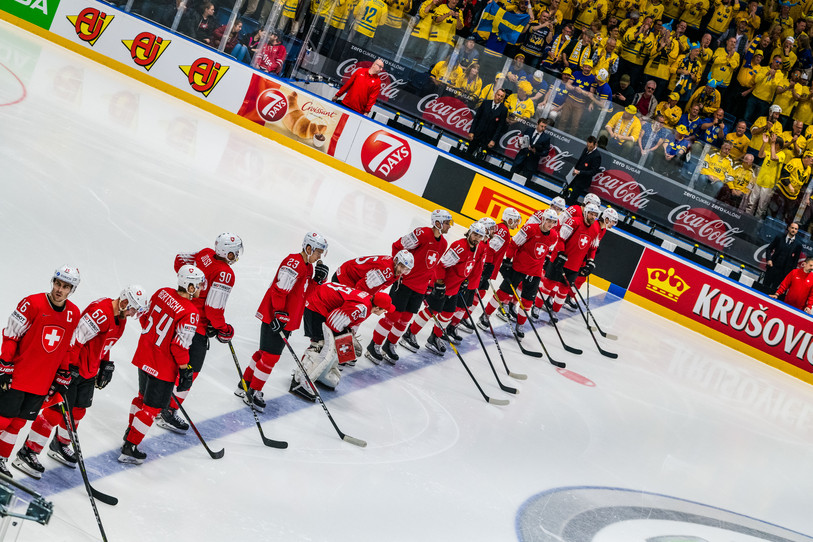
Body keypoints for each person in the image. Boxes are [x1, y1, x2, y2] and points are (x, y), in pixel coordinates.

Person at [13, 286, 149, 479]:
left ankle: (60, 444)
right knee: (55, 412)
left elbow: (103, 343)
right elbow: (75, 340)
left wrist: (105, 363)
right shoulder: (100, 313)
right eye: (134, 309)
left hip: (88, 372)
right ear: (126, 302)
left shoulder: (120, 317)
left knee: (77, 411)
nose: (134, 314)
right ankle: (28, 452)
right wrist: (68, 369)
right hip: (74, 369)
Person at [156, 233, 243, 434]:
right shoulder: (225, 273)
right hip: (196, 325)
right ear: (226, 252)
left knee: (172, 363)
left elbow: (180, 262)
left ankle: (156, 402)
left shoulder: (205, 253)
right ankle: (167, 410)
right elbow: (213, 309)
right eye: (234, 251)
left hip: (180, 311)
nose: (236, 255)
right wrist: (223, 328)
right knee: (189, 370)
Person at [0, 266, 82, 478]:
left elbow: (66, 348)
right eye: (57, 283)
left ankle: (1, 459)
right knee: (2, 420)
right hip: (18, 376)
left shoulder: (73, 313)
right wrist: (5, 366)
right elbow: (11, 335)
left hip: (41, 382)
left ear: (72, 289)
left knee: (17, 423)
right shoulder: (32, 303)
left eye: (65, 286)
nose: (59, 289)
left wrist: (64, 374)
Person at [119, 266, 205, 465]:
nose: (201, 288)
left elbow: (144, 317)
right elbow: (179, 346)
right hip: (163, 365)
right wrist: (185, 370)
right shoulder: (191, 312)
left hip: (145, 355)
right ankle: (130, 447)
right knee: (151, 409)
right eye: (199, 285)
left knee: (141, 398)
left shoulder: (162, 292)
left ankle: (129, 433)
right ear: (190, 286)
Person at [239, 232, 329, 411]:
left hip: (286, 318)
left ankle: (244, 385)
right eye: (318, 252)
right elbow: (279, 291)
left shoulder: (308, 267)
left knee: (264, 353)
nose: (320, 256)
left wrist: (318, 281)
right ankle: (254, 391)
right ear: (308, 248)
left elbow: (306, 294)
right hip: (277, 317)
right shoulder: (294, 263)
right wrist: (279, 313)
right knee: (270, 357)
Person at [366, 210, 451, 363]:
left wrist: (430, 285)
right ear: (437, 223)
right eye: (446, 223)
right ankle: (374, 345)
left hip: (419, 288)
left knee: (405, 319)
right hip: (404, 283)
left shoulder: (443, 243)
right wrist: (396, 271)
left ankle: (389, 345)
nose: (449, 226)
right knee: (392, 316)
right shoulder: (422, 234)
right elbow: (398, 246)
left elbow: (433, 266)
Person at [291, 284, 395, 400]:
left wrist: (345, 336)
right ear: (377, 308)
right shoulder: (362, 308)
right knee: (321, 346)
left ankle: (319, 374)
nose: (385, 312)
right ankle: (300, 380)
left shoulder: (368, 301)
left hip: (320, 303)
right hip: (316, 307)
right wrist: (344, 338)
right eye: (384, 310)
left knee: (329, 344)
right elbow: (332, 322)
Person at [399, 222, 487, 356]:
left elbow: (468, 267)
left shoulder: (478, 248)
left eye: (480, 236)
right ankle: (409, 333)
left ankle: (434, 337)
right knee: (431, 311)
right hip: (443, 286)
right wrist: (439, 284)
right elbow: (441, 266)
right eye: (475, 234)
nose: (477, 238)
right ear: (469, 232)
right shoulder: (459, 247)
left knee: (448, 313)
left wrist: (465, 281)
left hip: (455, 288)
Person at [478, 209, 559, 336]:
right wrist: (507, 261)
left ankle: (520, 325)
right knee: (503, 294)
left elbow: (550, 251)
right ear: (543, 219)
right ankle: (485, 315)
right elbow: (514, 244)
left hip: (535, 272)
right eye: (548, 220)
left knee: (527, 301)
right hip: (518, 268)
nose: (550, 223)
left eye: (553, 221)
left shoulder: (554, 235)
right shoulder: (529, 229)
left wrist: (548, 263)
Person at [538, 203, 602, 320]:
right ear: (586, 213)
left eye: (595, 215)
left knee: (564, 289)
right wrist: (561, 253)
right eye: (591, 214)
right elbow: (561, 238)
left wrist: (590, 261)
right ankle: (537, 306)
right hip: (559, 260)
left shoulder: (596, 229)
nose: (593, 217)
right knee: (549, 284)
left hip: (574, 265)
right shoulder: (573, 222)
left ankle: (555, 311)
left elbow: (593, 248)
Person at [760, 222, 803, 294]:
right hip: (772, 267)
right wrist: (769, 259)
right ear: (788, 228)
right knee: (764, 288)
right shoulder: (779, 237)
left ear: (797, 231)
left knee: (774, 291)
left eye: (796, 229)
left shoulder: (798, 245)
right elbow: (769, 249)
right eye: (792, 228)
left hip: (783, 273)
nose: (793, 230)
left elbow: (795, 261)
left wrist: (789, 274)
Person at [467, 88, 508, 156]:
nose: (499, 97)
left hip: (488, 139)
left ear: (503, 98)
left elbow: (499, 127)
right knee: (468, 154)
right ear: (495, 95)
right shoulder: (486, 103)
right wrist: (471, 131)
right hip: (477, 134)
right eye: (498, 95)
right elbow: (476, 118)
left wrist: (493, 140)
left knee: (480, 159)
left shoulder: (503, 110)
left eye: (501, 96)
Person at [565, 135, 602, 205]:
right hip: (575, 177)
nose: (588, 148)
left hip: (582, 181)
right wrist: (575, 170)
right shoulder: (585, 149)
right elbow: (580, 161)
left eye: (591, 147)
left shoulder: (597, 156)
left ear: (595, 145)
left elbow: (593, 171)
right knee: (566, 193)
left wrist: (580, 172)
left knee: (572, 198)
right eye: (587, 146)